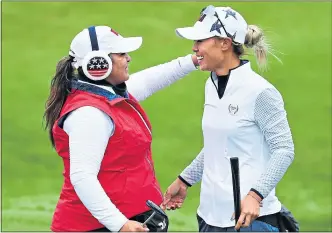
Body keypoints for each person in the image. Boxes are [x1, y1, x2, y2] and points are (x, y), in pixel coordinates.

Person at [43, 25, 198, 232]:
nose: (129, 58)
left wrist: (194, 61)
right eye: (122, 54)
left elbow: (150, 80)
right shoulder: (89, 114)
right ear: (99, 63)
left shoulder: (106, 94)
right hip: (97, 227)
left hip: (121, 220)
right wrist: (120, 224)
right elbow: (82, 177)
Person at [162, 5, 296, 232]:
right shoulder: (211, 85)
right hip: (209, 217)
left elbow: (284, 149)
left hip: (249, 220)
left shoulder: (260, 92)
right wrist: (184, 180)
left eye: (200, 41)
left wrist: (256, 195)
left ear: (224, 43)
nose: (194, 48)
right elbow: (219, 145)